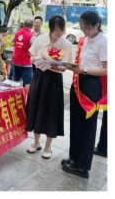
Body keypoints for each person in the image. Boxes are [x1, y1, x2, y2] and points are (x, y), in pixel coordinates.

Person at [63, 11, 107, 178]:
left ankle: (83, 166)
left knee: (87, 127)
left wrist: (84, 70)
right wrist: (73, 67)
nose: (83, 31)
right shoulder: (87, 39)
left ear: (97, 25)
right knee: (75, 123)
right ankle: (74, 158)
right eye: (81, 28)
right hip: (79, 82)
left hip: (91, 86)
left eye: (86, 28)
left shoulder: (102, 42)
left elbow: (107, 69)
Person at [26, 15, 73, 159]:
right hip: (39, 77)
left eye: (61, 30)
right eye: (55, 29)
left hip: (53, 80)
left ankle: (48, 146)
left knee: (50, 111)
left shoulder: (66, 44)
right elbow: (31, 55)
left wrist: (50, 60)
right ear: (50, 29)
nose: (58, 33)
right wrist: (37, 58)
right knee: (36, 107)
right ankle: (36, 143)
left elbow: (64, 67)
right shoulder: (41, 39)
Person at [12, 18, 34, 90]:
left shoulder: (17, 33)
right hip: (26, 62)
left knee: (15, 80)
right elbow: (35, 47)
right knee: (28, 82)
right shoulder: (31, 36)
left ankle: (13, 97)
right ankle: (27, 98)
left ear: (24, 25)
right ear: (32, 26)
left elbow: (13, 41)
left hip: (16, 60)